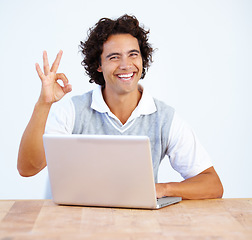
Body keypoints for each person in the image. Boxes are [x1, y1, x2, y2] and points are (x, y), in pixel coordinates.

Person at [17, 14, 223, 199]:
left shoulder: (165, 118)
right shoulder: (74, 111)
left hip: (135, 224)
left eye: (133, 54)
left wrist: (163, 189)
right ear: (99, 65)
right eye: (114, 57)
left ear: (142, 59)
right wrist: (44, 104)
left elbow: (212, 184)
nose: (126, 65)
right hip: (72, 223)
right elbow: (27, 168)